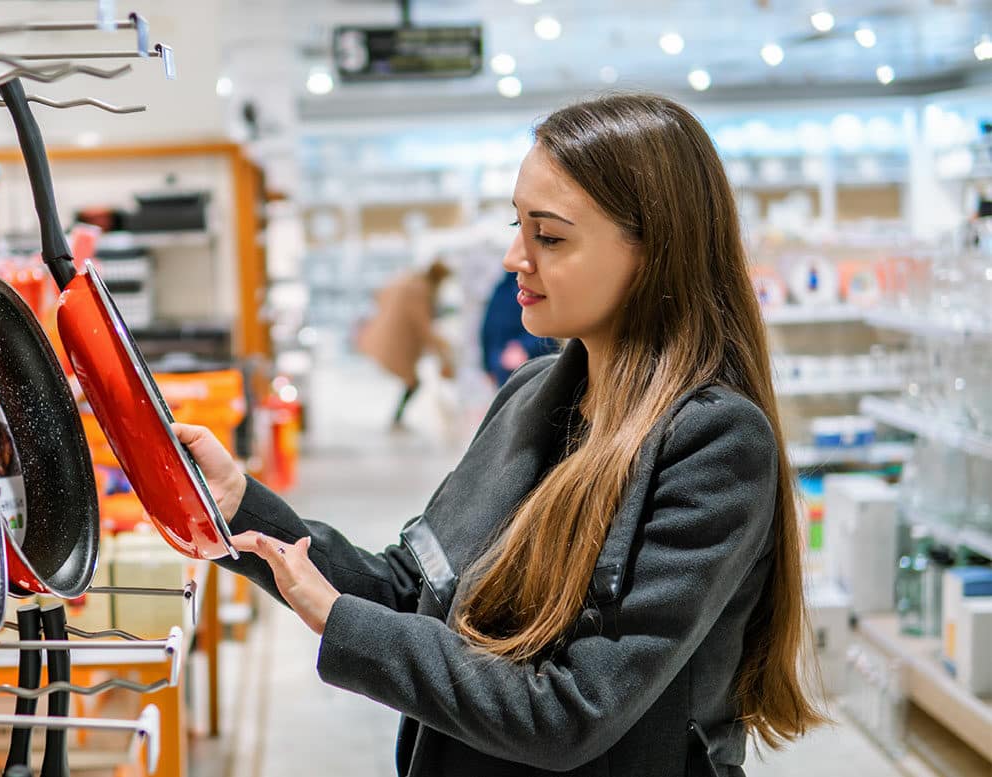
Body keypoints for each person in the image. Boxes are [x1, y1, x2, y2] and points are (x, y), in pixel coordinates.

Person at [174, 93, 823, 776]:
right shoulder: (530, 397)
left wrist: (341, 621)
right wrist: (236, 504)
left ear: (653, 251)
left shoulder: (712, 442)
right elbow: (410, 586)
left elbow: (574, 710)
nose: (517, 256)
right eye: (519, 225)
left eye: (550, 235)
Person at [355, 259, 455, 427]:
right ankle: (397, 418)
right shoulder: (419, 290)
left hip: (386, 333)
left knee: (412, 381)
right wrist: (443, 353)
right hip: (396, 341)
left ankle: (397, 417)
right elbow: (423, 326)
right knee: (412, 381)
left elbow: (380, 295)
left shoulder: (408, 280)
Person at [480, 270, 558, 385]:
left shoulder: (542, 286)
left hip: (531, 366)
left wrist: (525, 347)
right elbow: (488, 327)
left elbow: (556, 329)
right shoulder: (503, 287)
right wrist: (487, 366)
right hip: (501, 365)